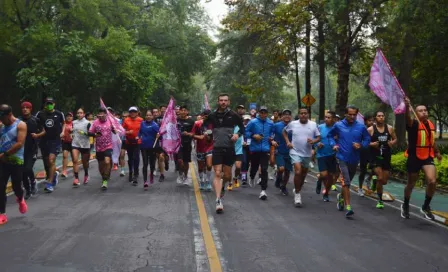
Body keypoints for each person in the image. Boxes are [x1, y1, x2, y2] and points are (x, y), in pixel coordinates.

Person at [401, 98, 442, 220]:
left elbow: (431, 141)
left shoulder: (430, 124)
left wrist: (437, 152)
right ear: (416, 113)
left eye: (425, 110)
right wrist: (407, 107)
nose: (424, 112)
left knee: (432, 181)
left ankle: (425, 206)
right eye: (420, 110)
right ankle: (406, 205)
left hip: (428, 156)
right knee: (411, 183)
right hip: (414, 156)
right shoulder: (413, 123)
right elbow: (407, 118)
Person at [328, 106, 371, 217]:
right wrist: (334, 145)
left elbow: (367, 139)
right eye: (350, 114)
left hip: (354, 159)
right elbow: (330, 136)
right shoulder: (338, 125)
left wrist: (361, 145)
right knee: (346, 181)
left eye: (354, 115)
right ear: (345, 114)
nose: (352, 117)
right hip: (341, 157)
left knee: (348, 182)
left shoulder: (361, 127)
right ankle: (349, 207)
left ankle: (341, 197)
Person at [206, 93, 245, 213]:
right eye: (221, 100)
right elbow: (204, 125)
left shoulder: (234, 115)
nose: (223, 102)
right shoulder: (212, 115)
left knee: (227, 176)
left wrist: (236, 134)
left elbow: (242, 129)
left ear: (228, 102)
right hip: (217, 148)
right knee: (217, 173)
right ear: (218, 102)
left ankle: (222, 187)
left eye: (225, 100)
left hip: (229, 148)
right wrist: (207, 132)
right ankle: (218, 200)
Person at [283, 107, 321, 207]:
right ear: (299, 115)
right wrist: (288, 142)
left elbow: (319, 137)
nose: (303, 115)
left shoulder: (313, 125)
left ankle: (297, 188)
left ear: (308, 114)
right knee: (298, 171)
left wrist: (313, 141)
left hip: (307, 153)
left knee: (303, 174)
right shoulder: (293, 124)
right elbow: (284, 132)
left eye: (305, 113)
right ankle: (297, 194)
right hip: (295, 151)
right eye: (301, 113)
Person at [0, 104, 28, 225]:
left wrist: (5, 154)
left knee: (17, 186)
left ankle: (20, 198)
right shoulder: (1, 125)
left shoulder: (20, 125)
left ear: (9, 115)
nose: (1, 120)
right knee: (0, 186)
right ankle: (2, 213)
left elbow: (19, 144)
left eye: (3, 118)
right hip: (2, 161)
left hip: (16, 161)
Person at [367, 111, 397, 209]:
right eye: (379, 116)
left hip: (386, 155)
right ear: (375, 118)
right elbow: (364, 141)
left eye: (382, 116)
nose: (381, 117)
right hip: (375, 156)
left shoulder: (389, 128)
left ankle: (375, 181)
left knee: (384, 181)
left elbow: (395, 139)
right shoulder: (370, 129)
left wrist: (392, 143)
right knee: (380, 177)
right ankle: (380, 201)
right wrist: (372, 144)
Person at [36, 97, 65, 193]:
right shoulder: (40, 114)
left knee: (51, 160)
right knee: (46, 162)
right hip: (43, 141)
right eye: (47, 103)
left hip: (55, 140)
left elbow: (64, 123)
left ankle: (49, 183)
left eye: (51, 103)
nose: (49, 105)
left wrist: (63, 132)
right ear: (45, 105)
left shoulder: (59, 114)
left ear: (54, 104)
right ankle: (53, 175)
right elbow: (35, 123)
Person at [245, 106, 274, 200]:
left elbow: (272, 133)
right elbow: (246, 132)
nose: (263, 114)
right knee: (254, 167)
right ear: (259, 112)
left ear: (267, 113)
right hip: (255, 149)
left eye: (265, 112)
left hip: (265, 150)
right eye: (261, 112)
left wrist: (271, 138)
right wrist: (254, 136)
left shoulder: (270, 122)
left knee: (264, 169)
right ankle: (252, 176)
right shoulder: (253, 122)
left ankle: (263, 191)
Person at [88, 107, 116, 190]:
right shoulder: (95, 123)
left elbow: (115, 130)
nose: (101, 116)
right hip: (99, 147)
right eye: (99, 115)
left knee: (107, 162)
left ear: (106, 114)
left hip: (108, 145)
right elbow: (90, 132)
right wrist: (94, 135)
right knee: (101, 166)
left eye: (102, 115)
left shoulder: (110, 121)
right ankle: (104, 176)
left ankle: (105, 181)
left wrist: (115, 130)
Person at [315, 111, 338, 202]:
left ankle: (326, 193)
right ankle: (320, 179)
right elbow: (314, 138)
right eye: (326, 117)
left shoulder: (336, 129)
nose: (326, 119)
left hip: (333, 155)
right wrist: (317, 144)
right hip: (321, 154)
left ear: (333, 119)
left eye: (329, 117)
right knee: (324, 174)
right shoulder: (320, 127)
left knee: (331, 177)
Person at [20, 101, 41, 199]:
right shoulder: (18, 121)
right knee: (22, 172)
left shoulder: (36, 120)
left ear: (30, 109)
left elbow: (44, 131)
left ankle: (33, 181)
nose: (25, 109)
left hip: (32, 149)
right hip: (20, 150)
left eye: (27, 107)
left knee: (27, 169)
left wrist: (37, 136)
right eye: (23, 108)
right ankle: (28, 190)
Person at [272, 109, 292, 196]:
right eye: (285, 114)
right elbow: (270, 135)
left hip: (291, 151)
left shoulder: (294, 126)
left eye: (288, 114)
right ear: (282, 116)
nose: (287, 116)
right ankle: (279, 178)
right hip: (279, 150)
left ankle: (283, 186)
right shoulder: (276, 125)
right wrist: (272, 141)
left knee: (288, 171)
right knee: (281, 168)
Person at [192, 109, 214, 191]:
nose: (206, 117)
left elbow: (214, 135)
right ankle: (201, 181)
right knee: (200, 167)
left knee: (209, 165)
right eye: (204, 115)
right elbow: (192, 135)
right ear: (202, 116)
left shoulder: (212, 124)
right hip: (200, 148)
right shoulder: (197, 124)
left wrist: (209, 137)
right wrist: (199, 137)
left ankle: (208, 181)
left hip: (210, 147)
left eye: (208, 115)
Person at [139, 110, 161, 189]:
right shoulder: (142, 124)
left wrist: (158, 136)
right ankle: (145, 181)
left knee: (152, 164)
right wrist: (138, 137)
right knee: (145, 164)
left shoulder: (155, 125)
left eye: (150, 115)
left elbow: (159, 135)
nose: (148, 117)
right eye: (147, 115)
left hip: (152, 147)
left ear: (152, 116)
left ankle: (151, 174)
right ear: (145, 116)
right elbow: (139, 132)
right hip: (144, 146)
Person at [122, 106, 143, 185]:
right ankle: (131, 171)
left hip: (137, 142)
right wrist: (127, 132)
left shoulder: (140, 120)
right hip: (129, 142)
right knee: (130, 158)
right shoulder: (126, 120)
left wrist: (140, 136)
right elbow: (122, 130)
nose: (132, 113)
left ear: (137, 112)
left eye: (134, 112)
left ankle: (135, 174)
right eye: (131, 112)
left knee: (136, 157)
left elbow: (143, 130)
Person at [71, 108, 91, 187]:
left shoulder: (87, 123)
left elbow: (91, 133)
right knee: (75, 160)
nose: (79, 114)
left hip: (85, 145)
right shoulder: (74, 122)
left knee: (84, 163)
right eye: (78, 113)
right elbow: (73, 131)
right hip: (75, 144)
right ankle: (76, 179)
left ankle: (86, 174)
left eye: (81, 113)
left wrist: (84, 133)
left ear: (84, 114)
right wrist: (71, 132)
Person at [175, 105, 195, 185]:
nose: (183, 112)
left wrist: (189, 133)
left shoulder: (191, 121)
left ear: (187, 112)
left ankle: (186, 176)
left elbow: (194, 133)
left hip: (187, 143)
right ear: (179, 111)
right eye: (181, 110)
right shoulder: (176, 120)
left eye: (185, 110)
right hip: (178, 144)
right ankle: (180, 174)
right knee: (180, 161)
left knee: (186, 162)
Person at [358, 114, 375, 196]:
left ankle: (368, 179)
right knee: (363, 171)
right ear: (365, 121)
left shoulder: (375, 128)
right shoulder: (362, 129)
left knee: (375, 169)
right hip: (364, 151)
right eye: (369, 120)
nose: (371, 122)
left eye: (372, 120)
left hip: (373, 152)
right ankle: (360, 188)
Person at [61, 112, 74, 178]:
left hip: (73, 143)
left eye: (70, 116)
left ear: (72, 117)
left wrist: (73, 131)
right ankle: (64, 171)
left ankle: (75, 170)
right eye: (67, 116)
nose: (69, 117)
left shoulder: (74, 124)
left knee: (74, 158)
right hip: (65, 142)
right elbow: (61, 133)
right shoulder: (63, 124)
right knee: (64, 156)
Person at [241, 115, 252, 187]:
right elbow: (239, 135)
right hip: (243, 147)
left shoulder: (252, 128)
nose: (247, 121)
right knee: (244, 161)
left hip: (251, 147)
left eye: (248, 120)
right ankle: (244, 178)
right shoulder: (241, 127)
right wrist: (242, 142)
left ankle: (244, 173)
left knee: (248, 163)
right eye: (246, 120)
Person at [119, 111, 129, 177]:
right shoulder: (119, 122)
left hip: (130, 141)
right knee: (122, 155)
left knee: (131, 157)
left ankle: (132, 169)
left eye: (126, 116)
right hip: (122, 141)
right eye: (123, 116)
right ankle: (122, 170)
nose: (124, 118)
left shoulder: (131, 122)